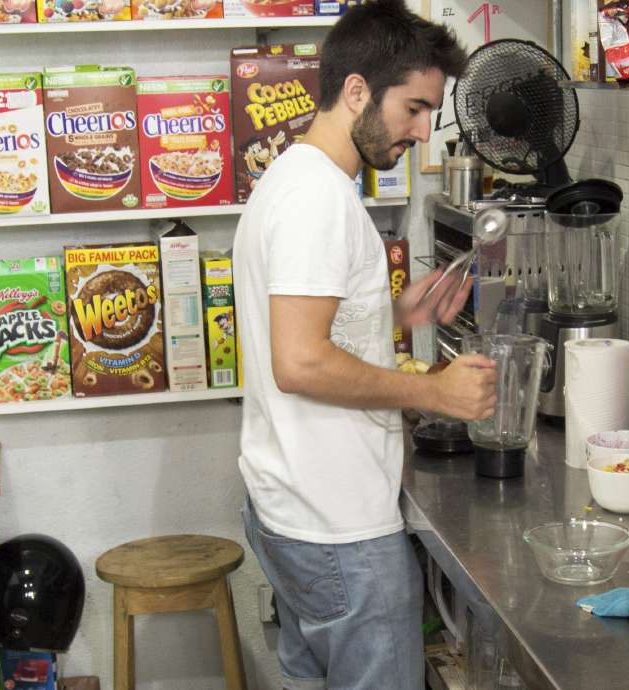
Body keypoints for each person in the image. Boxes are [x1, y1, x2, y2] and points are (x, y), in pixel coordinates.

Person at [231, 3, 494, 688]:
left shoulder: (294, 181)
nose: (420, 132)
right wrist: (434, 390)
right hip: (337, 525)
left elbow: (309, 332)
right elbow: (300, 362)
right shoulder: (317, 199)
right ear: (356, 91)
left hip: (293, 506)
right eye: (412, 109)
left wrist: (394, 316)